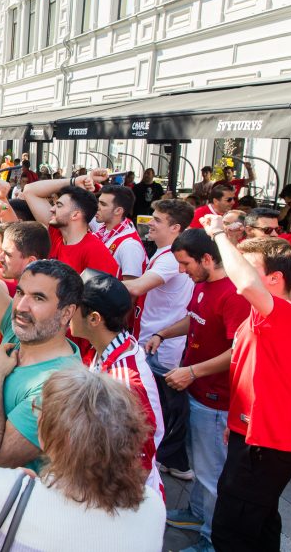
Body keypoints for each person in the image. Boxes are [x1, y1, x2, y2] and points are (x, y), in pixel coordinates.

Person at [0, 364, 165, 552]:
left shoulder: (13, 495)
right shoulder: (153, 506)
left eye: (39, 410)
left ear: (50, 436)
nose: (37, 413)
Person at [0, 158, 83, 471]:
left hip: (7, 516)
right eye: (20, 293)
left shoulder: (61, 386)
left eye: (38, 298)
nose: (21, 306)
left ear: (67, 314)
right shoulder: (20, 329)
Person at [198, 222, 291, 552]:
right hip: (255, 434)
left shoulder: (284, 315)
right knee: (260, 520)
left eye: (250, 267)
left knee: (233, 532)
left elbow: (245, 284)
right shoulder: (272, 315)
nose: (238, 273)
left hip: (267, 442)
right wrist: (238, 422)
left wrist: (217, 234)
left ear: (274, 280)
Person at [154, 229, 251, 552]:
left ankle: (211, 537)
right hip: (199, 392)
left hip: (217, 399)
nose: (182, 272)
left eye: (185, 264)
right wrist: (164, 334)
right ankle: (196, 514)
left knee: (211, 474)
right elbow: (194, 320)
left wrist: (193, 371)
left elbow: (239, 350)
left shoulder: (232, 295)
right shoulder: (203, 285)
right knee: (202, 463)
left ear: (207, 259)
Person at [70, 269, 164, 493]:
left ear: (94, 319)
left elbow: (135, 459)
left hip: (120, 499)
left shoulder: (125, 384)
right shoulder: (107, 351)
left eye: (73, 307)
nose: (67, 312)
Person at [123, 198, 194, 480]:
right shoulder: (167, 253)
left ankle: (173, 460)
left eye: (157, 219)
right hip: (157, 340)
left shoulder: (169, 259)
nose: (149, 222)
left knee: (162, 409)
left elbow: (139, 286)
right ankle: (170, 458)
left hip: (162, 347)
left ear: (175, 227)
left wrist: (96, 281)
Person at [21, 169, 119, 276]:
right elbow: (29, 190)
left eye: (59, 205)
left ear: (75, 215)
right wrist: (74, 181)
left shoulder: (95, 252)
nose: (52, 209)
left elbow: (103, 290)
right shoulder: (57, 233)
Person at [91, 184, 146, 279]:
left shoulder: (129, 245)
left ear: (118, 211)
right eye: (98, 202)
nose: (97, 207)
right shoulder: (103, 229)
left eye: (103, 204)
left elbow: (131, 288)